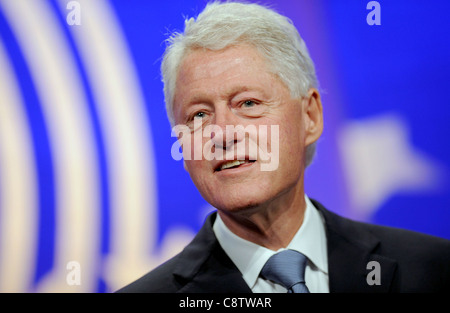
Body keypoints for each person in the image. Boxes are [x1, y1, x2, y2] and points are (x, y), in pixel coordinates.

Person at [117, 1, 450, 293]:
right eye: (199, 115)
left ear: (310, 116)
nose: (222, 133)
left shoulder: (433, 270)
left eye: (247, 103)